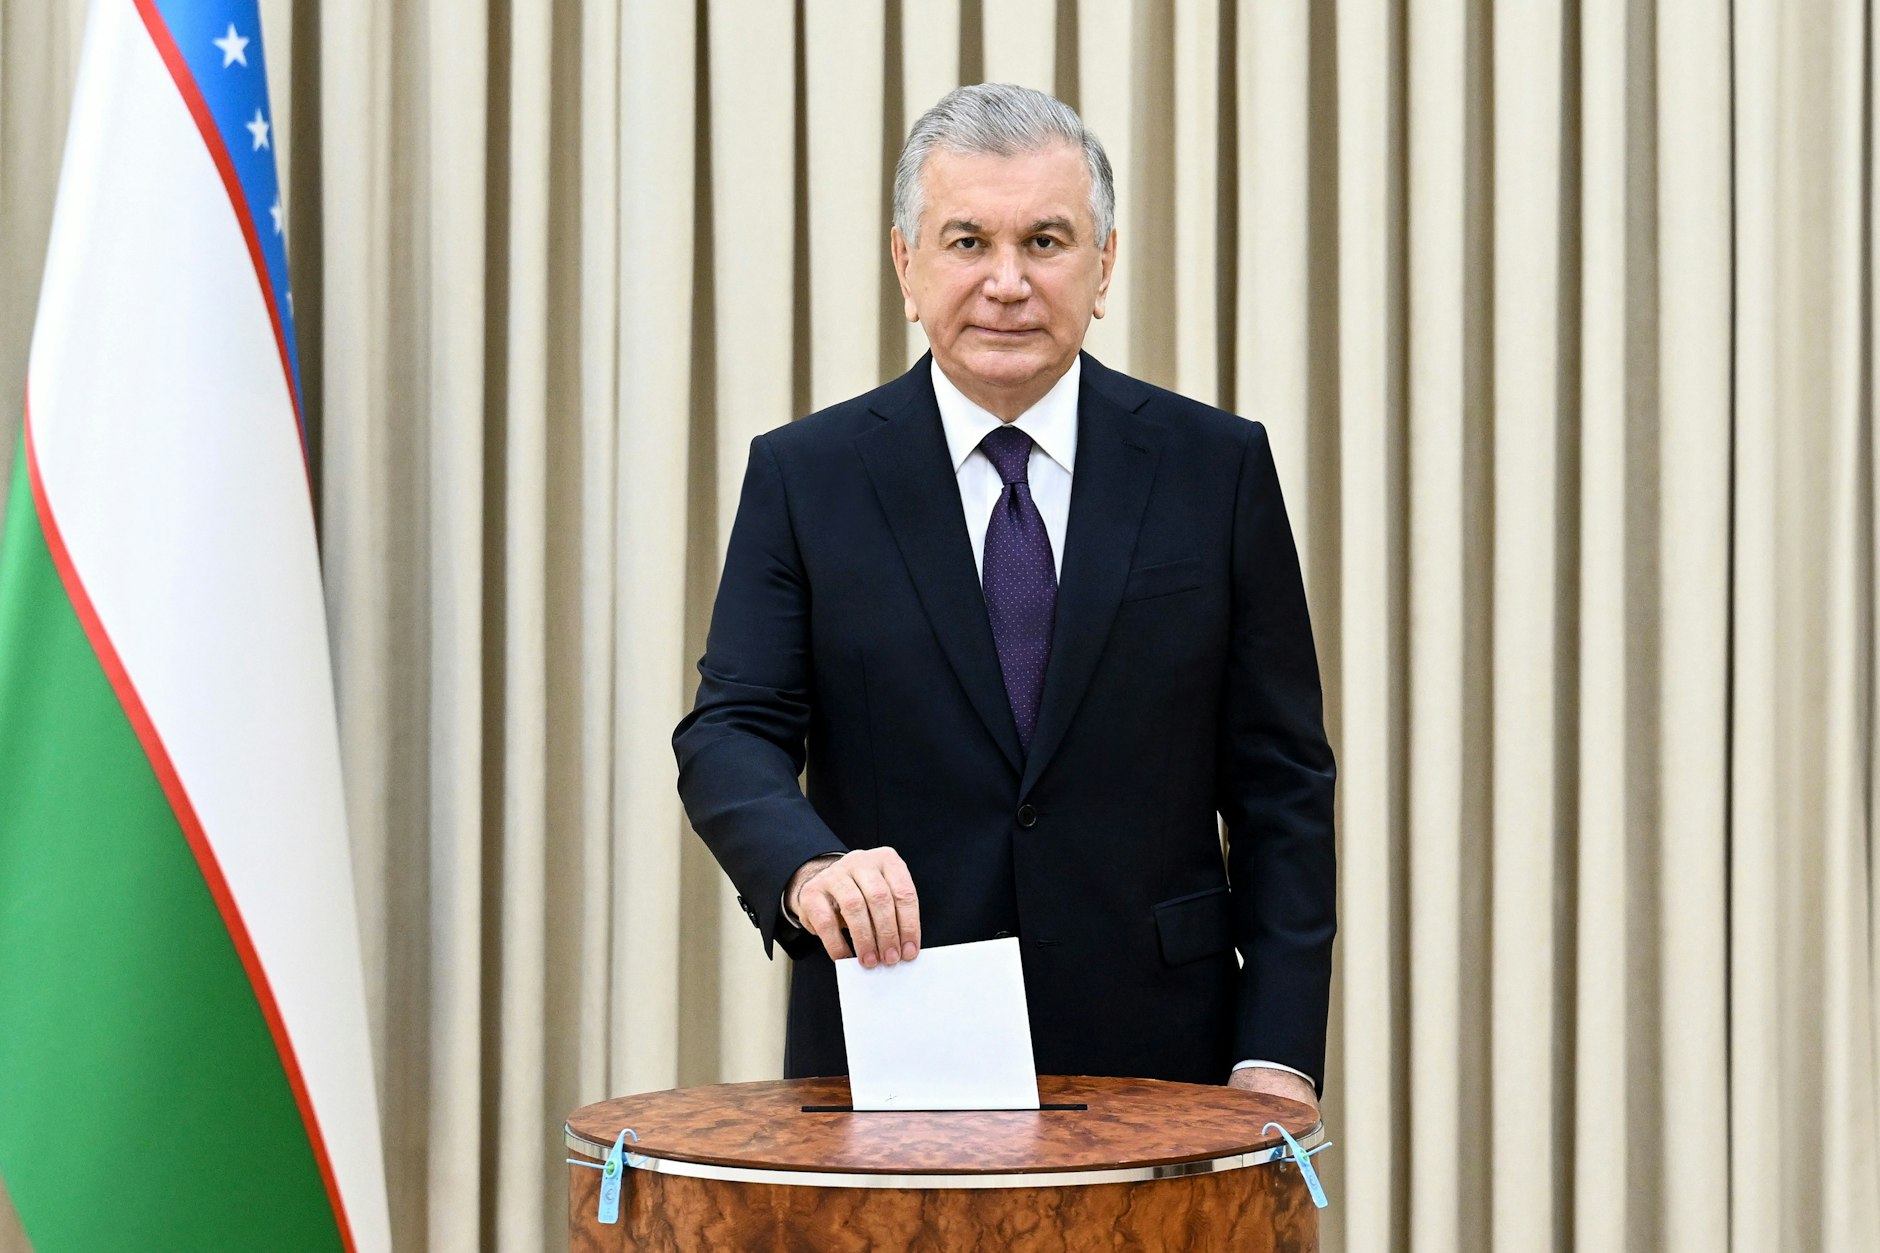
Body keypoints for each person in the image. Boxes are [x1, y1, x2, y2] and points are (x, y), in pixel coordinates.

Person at [673, 83, 1335, 1111]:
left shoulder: (1217, 468)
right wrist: (808, 868)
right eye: (967, 241)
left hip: (1165, 1057)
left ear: (1102, 265)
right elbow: (728, 733)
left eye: (1046, 240)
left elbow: (1279, 782)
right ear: (907, 265)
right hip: (894, 1038)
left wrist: (1277, 1053)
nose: (1006, 282)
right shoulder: (806, 476)